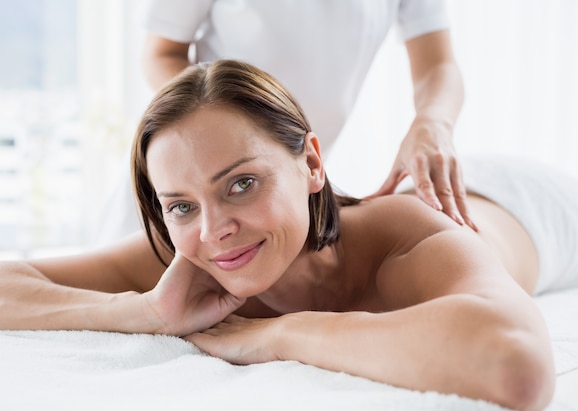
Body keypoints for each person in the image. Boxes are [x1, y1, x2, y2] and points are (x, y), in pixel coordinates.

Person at [0, 59, 578, 411]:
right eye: (179, 205)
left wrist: (278, 333)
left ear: (312, 163)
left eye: (241, 185)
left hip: (536, 202)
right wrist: (145, 309)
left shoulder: (405, 238)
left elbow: (516, 365)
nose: (214, 230)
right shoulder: (196, 250)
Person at [105, 0, 473, 241]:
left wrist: (432, 123)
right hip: (193, 185)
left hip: (280, 186)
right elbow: (160, 54)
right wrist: (237, 133)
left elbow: (438, 64)